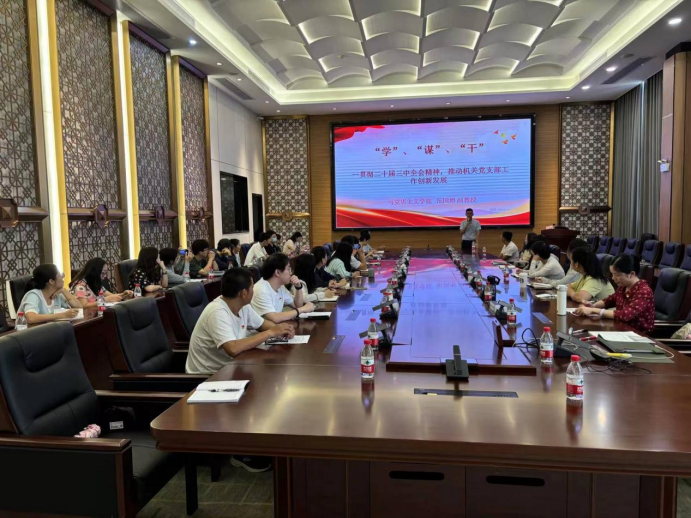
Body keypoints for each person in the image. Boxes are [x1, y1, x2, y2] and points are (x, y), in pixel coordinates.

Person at [186, 268, 294, 374]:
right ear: (244, 293)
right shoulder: (217, 311)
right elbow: (233, 349)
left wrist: (282, 329)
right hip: (208, 376)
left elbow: (262, 324)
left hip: (232, 368)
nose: (254, 290)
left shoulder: (242, 305)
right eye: (252, 288)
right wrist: (270, 333)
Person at [574, 254, 654, 333]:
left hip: (638, 334)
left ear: (631, 274)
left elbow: (625, 315)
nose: (613, 278)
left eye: (617, 275)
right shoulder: (623, 286)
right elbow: (609, 300)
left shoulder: (643, 291)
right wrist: (592, 306)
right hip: (621, 329)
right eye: (612, 274)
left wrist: (593, 310)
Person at [251, 253, 315, 323]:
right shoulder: (261, 290)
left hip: (275, 327)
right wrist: (303, 309)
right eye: (288, 269)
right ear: (277, 272)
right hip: (261, 329)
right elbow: (274, 318)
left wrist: (298, 287)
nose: (291, 273)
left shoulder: (280, 287)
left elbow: (297, 305)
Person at [18, 264, 83, 324]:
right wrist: (63, 315)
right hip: (29, 331)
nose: (63, 277)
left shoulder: (58, 294)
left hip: (49, 329)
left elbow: (79, 308)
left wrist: (64, 290)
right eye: (60, 275)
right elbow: (31, 318)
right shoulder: (33, 295)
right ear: (51, 281)